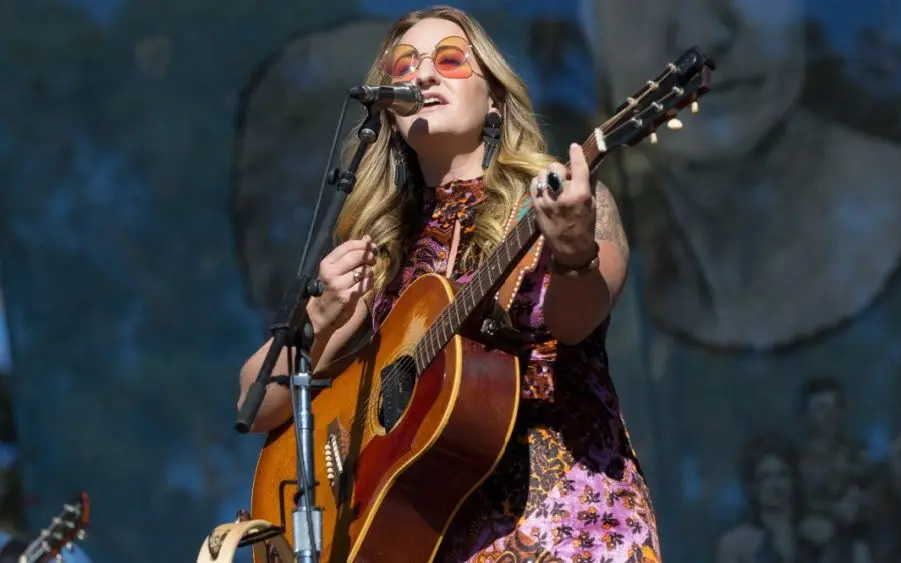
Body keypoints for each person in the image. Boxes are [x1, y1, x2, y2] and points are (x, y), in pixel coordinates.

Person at [236, 5, 660, 561]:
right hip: (426, 537)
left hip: (565, 523)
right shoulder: (377, 253)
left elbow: (576, 321)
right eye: (403, 65)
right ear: (386, 112)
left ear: (495, 99)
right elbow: (254, 400)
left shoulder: (560, 200)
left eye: (450, 60)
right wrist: (318, 319)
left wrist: (573, 250)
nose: (423, 75)